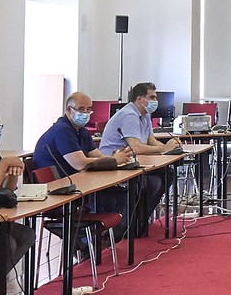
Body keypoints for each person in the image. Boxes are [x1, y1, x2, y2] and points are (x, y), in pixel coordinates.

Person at [101, 82, 179, 235]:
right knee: (153, 182)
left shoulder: (145, 115)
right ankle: (128, 225)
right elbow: (135, 147)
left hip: (133, 163)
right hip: (115, 165)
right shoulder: (129, 115)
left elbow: (151, 140)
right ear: (139, 99)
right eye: (152, 97)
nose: (156, 100)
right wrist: (164, 149)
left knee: (167, 174)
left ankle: (139, 220)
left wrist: (171, 148)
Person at [30, 92, 116, 177]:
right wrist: (114, 161)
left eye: (88, 109)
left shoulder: (82, 130)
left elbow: (97, 155)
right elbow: (80, 164)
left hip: (74, 179)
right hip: (55, 182)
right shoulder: (62, 130)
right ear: (68, 110)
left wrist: (113, 159)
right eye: (81, 109)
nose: (85, 113)